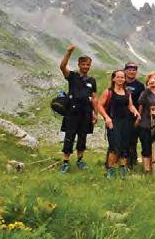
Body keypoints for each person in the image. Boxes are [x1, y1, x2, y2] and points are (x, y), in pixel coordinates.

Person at [58, 44, 97, 174]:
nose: (86, 67)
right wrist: (69, 52)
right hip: (72, 111)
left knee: (82, 136)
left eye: (88, 65)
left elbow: (94, 97)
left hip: (86, 112)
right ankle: (65, 162)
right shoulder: (73, 76)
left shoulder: (92, 80)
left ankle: (80, 160)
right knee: (69, 136)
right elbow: (62, 67)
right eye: (84, 64)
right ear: (79, 64)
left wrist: (95, 113)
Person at [97, 70, 141, 179]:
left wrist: (135, 111)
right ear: (113, 79)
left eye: (122, 77)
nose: (121, 79)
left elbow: (130, 105)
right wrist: (106, 118)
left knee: (125, 146)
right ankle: (110, 169)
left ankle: (123, 168)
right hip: (113, 121)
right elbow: (99, 105)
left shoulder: (127, 92)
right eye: (118, 77)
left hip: (126, 121)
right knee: (114, 146)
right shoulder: (109, 92)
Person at [123, 62, 145, 169]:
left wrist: (139, 117)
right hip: (121, 116)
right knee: (120, 139)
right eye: (130, 69)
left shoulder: (140, 86)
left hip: (134, 117)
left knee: (133, 140)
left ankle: (132, 163)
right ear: (125, 70)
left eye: (134, 70)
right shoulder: (121, 82)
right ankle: (119, 161)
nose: (132, 71)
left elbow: (141, 103)